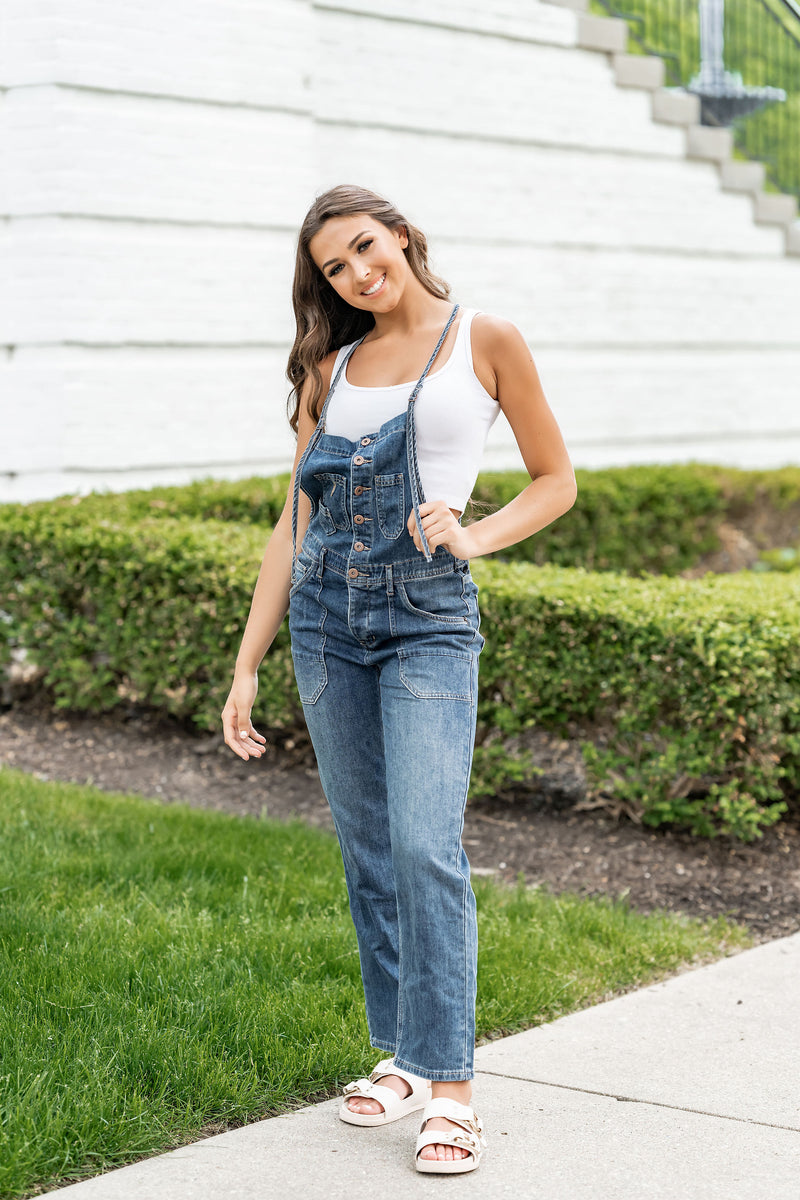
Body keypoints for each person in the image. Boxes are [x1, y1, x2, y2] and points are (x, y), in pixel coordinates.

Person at [221, 184, 576, 1175]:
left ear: (404, 237)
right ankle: (405, 1058)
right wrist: (247, 663)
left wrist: (473, 535)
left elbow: (556, 478)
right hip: (325, 625)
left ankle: (450, 1086)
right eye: (333, 268)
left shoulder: (484, 339)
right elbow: (293, 521)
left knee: (425, 847)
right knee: (370, 850)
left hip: (426, 623)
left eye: (364, 248)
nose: (355, 274)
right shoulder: (326, 370)